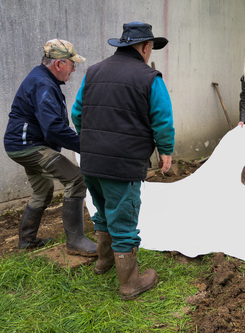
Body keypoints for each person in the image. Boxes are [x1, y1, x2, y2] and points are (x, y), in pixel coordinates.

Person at [71, 22, 175, 300]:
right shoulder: (150, 78)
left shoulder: (93, 72)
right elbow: (162, 120)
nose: (150, 52)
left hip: (91, 161)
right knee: (123, 218)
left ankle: (104, 261)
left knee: (102, 210)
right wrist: (166, 151)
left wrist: (92, 140)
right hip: (122, 164)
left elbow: (77, 114)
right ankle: (130, 283)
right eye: (150, 48)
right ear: (143, 47)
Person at [3, 39, 97, 256]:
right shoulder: (43, 84)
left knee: (43, 190)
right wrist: (86, 146)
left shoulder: (42, 79)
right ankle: (76, 242)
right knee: (76, 179)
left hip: (23, 144)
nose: (74, 69)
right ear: (58, 64)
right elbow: (54, 128)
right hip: (29, 146)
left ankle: (27, 241)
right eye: (72, 64)